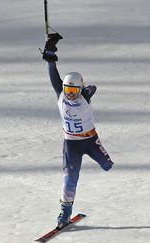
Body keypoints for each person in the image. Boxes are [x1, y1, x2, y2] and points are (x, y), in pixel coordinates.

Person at [42, 33, 114, 228]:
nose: (70, 95)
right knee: (70, 178)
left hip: (90, 140)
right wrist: (50, 55)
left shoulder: (84, 96)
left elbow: (93, 87)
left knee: (108, 166)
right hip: (71, 144)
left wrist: (85, 91)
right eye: (68, 91)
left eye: (74, 91)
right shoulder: (62, 95)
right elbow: (54, 75)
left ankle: (103, 162)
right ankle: (64, 213)